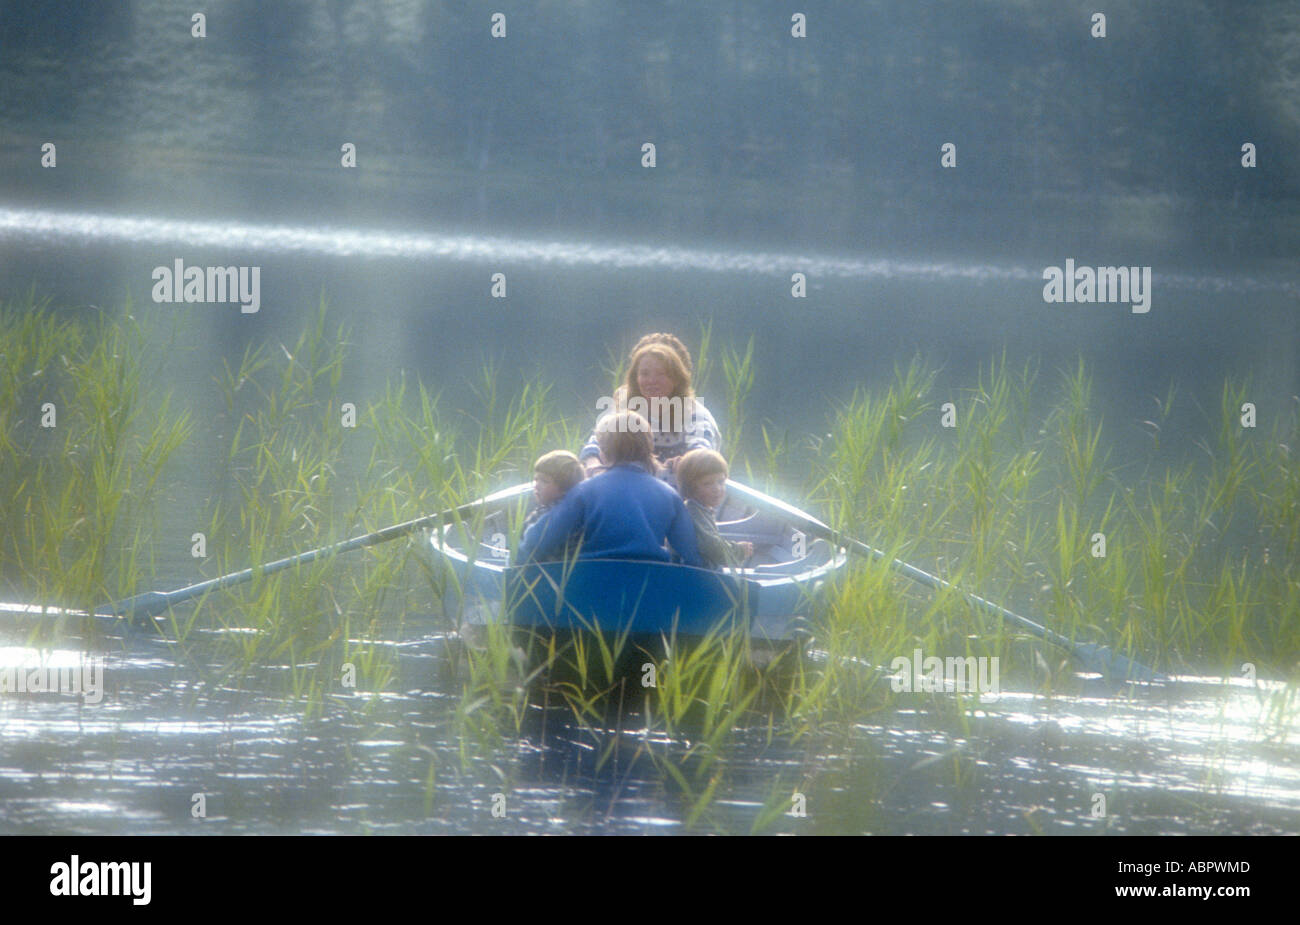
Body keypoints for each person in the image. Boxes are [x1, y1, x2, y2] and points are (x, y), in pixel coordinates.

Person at [519, 410, 705, 567]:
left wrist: (518, 565)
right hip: (650, 583)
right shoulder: (669, 495)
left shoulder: (585, 491)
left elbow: (537, 540)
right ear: (648, 448)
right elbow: (691, 555)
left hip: (592, 582)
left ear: (604, 452)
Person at [578, 333, 720, 476]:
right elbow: (596, 442)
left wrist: (689, 460)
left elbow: (702, 448)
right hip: (629, 483)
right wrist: (593, 463)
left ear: (677, 378)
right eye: (645, 374)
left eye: (661, 374)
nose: (652, 380)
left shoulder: (694, 413)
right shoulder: (623, 407)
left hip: (677, 490)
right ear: (635, 378)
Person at [674, 448, 753, 569]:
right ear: (690, 487)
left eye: (721, 481)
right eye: (707, 483)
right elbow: (712, 547)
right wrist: (739, 551)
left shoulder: (699, 509)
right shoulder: (693, 513)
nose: (717, 488)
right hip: (692, 576)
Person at [522, 450, 585, 532]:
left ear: (565, 488)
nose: (536, 486)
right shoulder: (579, 508)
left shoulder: (545, 517)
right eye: (536, 480)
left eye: (544, 481)